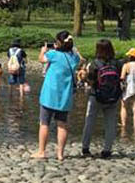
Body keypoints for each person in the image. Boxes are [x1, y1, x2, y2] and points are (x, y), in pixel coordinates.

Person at [32, 31, 81, 161]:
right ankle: (60, 154)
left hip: (49, 95)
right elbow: (80, 58)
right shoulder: (74, 58)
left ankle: (42, 151)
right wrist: (75, 50)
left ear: (58, 43)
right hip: (65, 96)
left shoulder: (53, 54)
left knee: (44, 123)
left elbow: (41, 60)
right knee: (62, 124)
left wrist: (43, 50)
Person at [80, 39, 122, 159]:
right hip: (113, 97)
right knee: (110, 123)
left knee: (90, 121)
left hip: (96, 96)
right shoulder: (117, 63)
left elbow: (91, 81)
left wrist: (84, 77)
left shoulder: (95, 64)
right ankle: (107, 149)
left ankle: (85, 148)